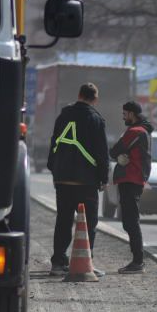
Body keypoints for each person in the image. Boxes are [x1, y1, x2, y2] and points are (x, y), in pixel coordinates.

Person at [46, 82, 109, 275]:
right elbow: (101, 152)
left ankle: (58, 263)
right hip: (86, 181)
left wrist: (55, 170)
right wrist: (103, 178)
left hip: (63, 180)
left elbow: (53, 144)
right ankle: (85, 263)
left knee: (63, 221)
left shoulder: (63, 116)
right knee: (88, 223)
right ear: (95, 99)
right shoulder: (96, 120)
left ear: (79, 94)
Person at [109, 100, 154, 273]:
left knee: (131, 221)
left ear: (132, 114)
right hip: (133, 179)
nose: (123, 117)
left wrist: (120, 153)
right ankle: (137, 260)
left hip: (130, 179)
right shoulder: (143, 131)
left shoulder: (135, 131)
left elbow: (114, 151)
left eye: (125, 114)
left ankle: (138, 261)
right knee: (129, 221)